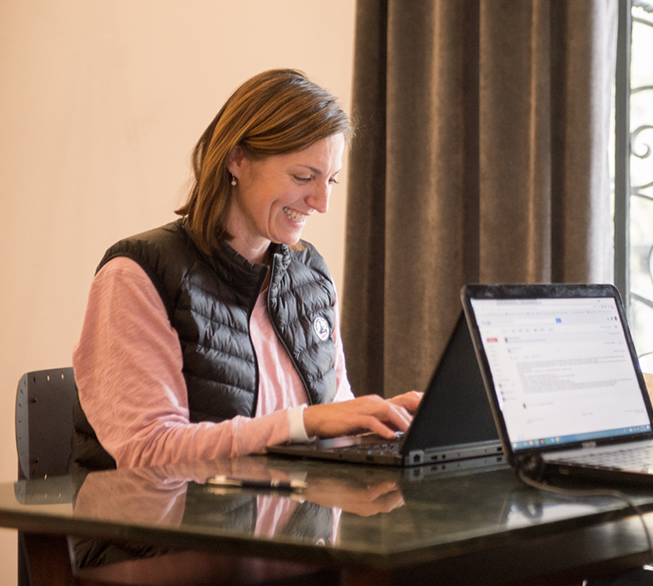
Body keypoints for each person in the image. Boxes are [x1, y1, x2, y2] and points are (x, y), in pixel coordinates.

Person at [72, 69, 421, 471]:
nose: (321, 203)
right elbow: (147, 452)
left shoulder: (312, 277)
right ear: (236, 159)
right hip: (167, 529)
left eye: (331, 181)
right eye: (303, 177)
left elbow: (331, 417)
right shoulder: (137, 275)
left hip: (281, 528)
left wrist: (376, 423)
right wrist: (303, 423)